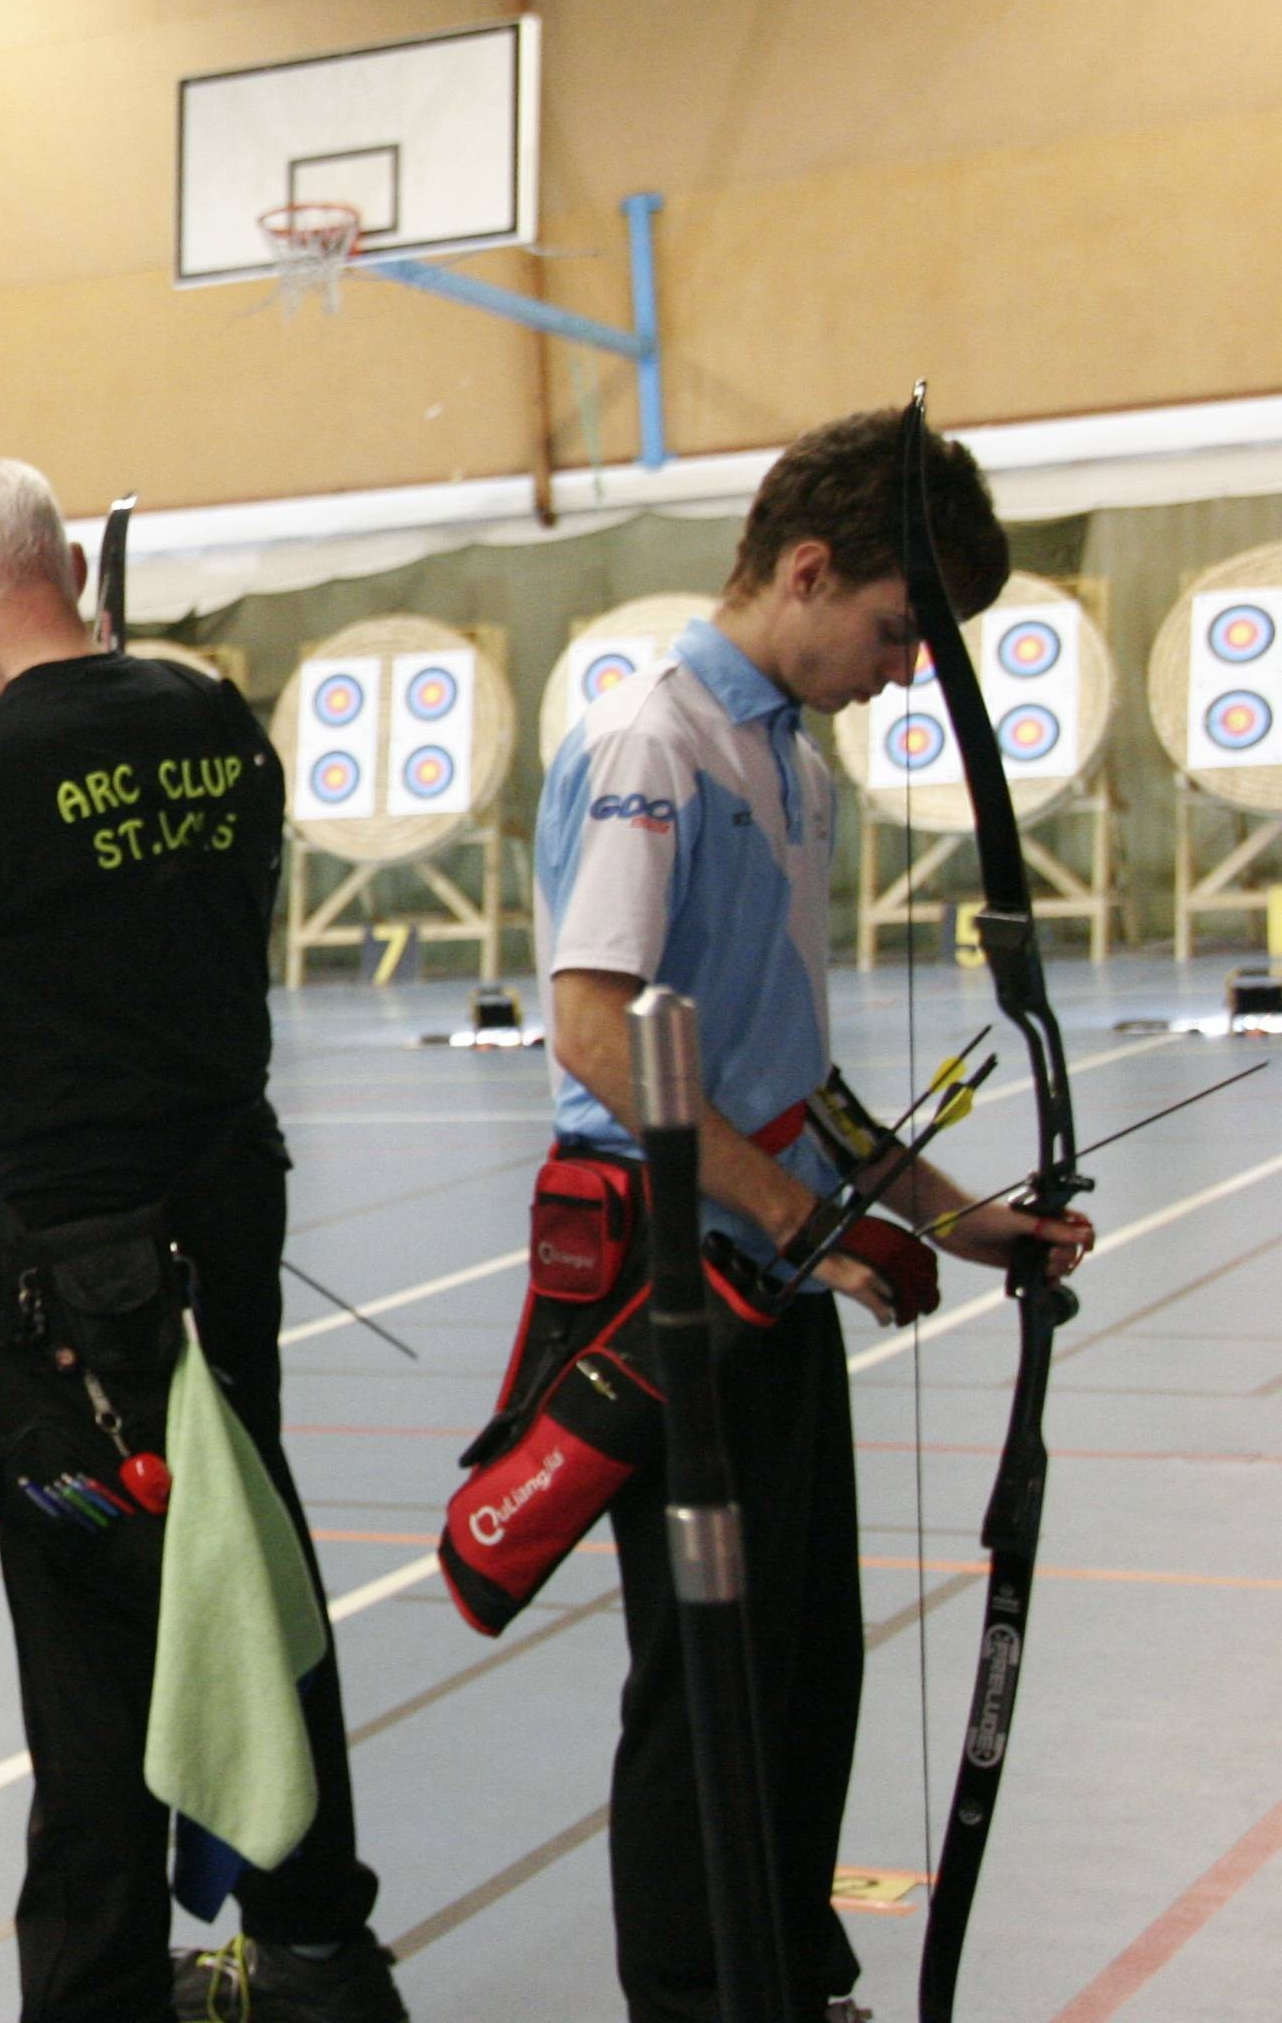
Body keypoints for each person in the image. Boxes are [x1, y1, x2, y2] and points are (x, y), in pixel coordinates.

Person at [532, 406, 1090, 2023]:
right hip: (654, 1264)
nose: (905, 670)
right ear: (802, 566)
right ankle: (698, 1998)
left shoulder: (775, 753)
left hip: (752, 1250)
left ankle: (780, 1969)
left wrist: (950, 1215)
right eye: (894, 628)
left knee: (794, 1653)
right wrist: (803, 1218)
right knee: (701, 1674)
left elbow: (788, 1076)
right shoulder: (658, 746)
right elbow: (590, 1025)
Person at [0, 458, 401, 2023]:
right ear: (70, 576)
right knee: (253, 1570)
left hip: (69, 1273)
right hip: (228, 1227)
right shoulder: (214, 719)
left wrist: (18, 1143)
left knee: (98, 1643)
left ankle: (99, 1995)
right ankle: (319, 1951)